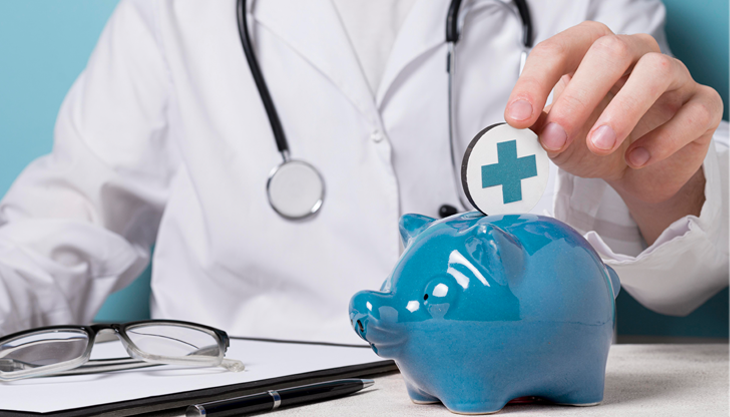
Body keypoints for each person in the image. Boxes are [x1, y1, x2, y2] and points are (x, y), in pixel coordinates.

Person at [0, 0, 726, 344]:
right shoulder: (175, 12)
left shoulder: (586, 7)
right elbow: (69, 218)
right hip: (238, 389)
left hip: (498, 392)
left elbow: (675, 271)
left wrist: (663, 181)